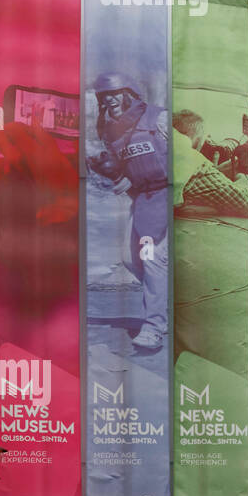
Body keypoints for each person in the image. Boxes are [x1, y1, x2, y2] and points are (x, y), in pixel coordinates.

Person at [86, 73, 170, 352]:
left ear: (130, 93)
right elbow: (126, 176)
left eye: (115, 92)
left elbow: (185, 152)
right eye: (103, 95)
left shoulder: (158, 119)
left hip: (166, 195)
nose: (108, 98)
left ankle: (155, 325)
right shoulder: (111, 132)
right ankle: (163, 297)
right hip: (143, 198)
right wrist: (110, 172)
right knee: (129, 258)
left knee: (153, 259)